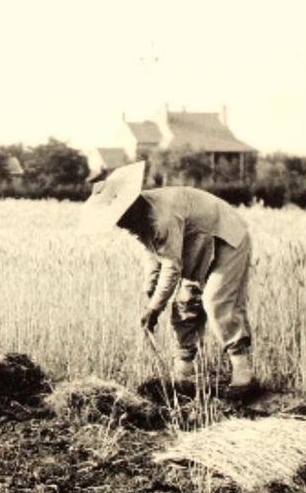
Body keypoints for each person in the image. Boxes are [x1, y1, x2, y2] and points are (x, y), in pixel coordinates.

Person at [79, 161, 256, 399]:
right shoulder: (141, 219)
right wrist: (149, 289)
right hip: (197, 239)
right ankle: (184, 374)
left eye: (118, 218)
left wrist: (154, 309)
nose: (119, 225)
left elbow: (171, 267)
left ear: (129, 207)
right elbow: (153, 255)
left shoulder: (160, 218)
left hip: (225, 234)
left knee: (216, 301)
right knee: (186, 300)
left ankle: (242, 373)